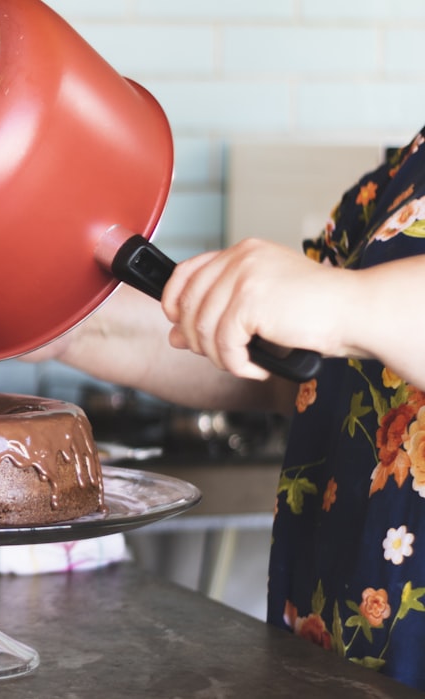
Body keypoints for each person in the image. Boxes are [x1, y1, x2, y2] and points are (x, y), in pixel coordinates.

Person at [25, 124, 425, 690]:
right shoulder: (409, 170)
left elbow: (342, 315)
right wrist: (49, 321)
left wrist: (342, 301)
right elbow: (299, 373)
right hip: (335, 655)